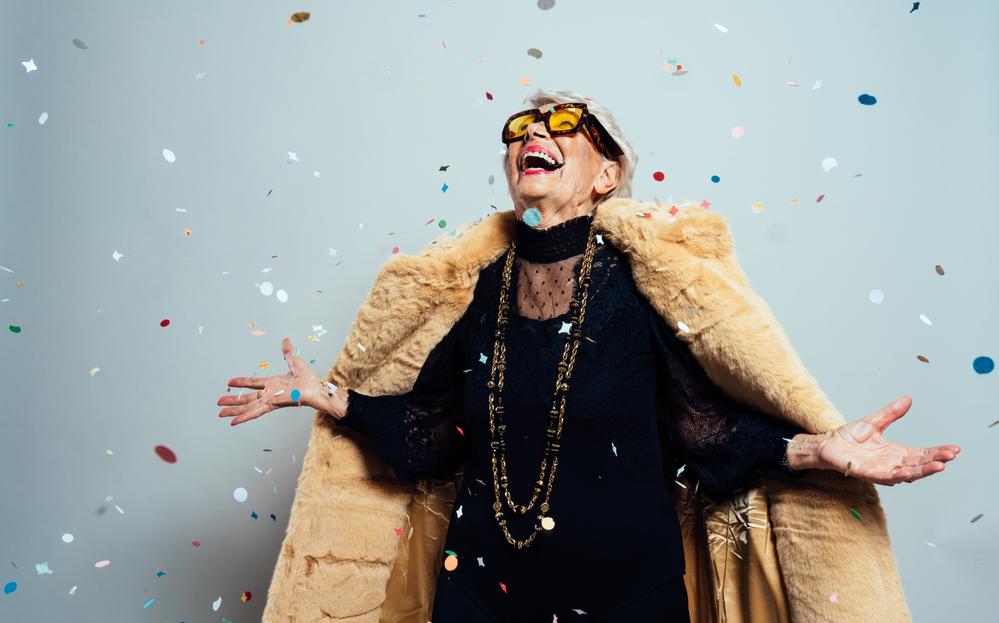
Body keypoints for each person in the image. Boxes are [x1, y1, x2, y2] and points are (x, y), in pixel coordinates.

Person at [217, 90, 960, 622]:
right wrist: (327, 397)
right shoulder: (479, 290)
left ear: (606, 176)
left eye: (567, 122)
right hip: (479, 594)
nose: (535, 132)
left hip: (623, 598)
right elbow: (434, 433)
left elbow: (705, 431)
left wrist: (816, 450)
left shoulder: (639, 286)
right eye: (522, 126)